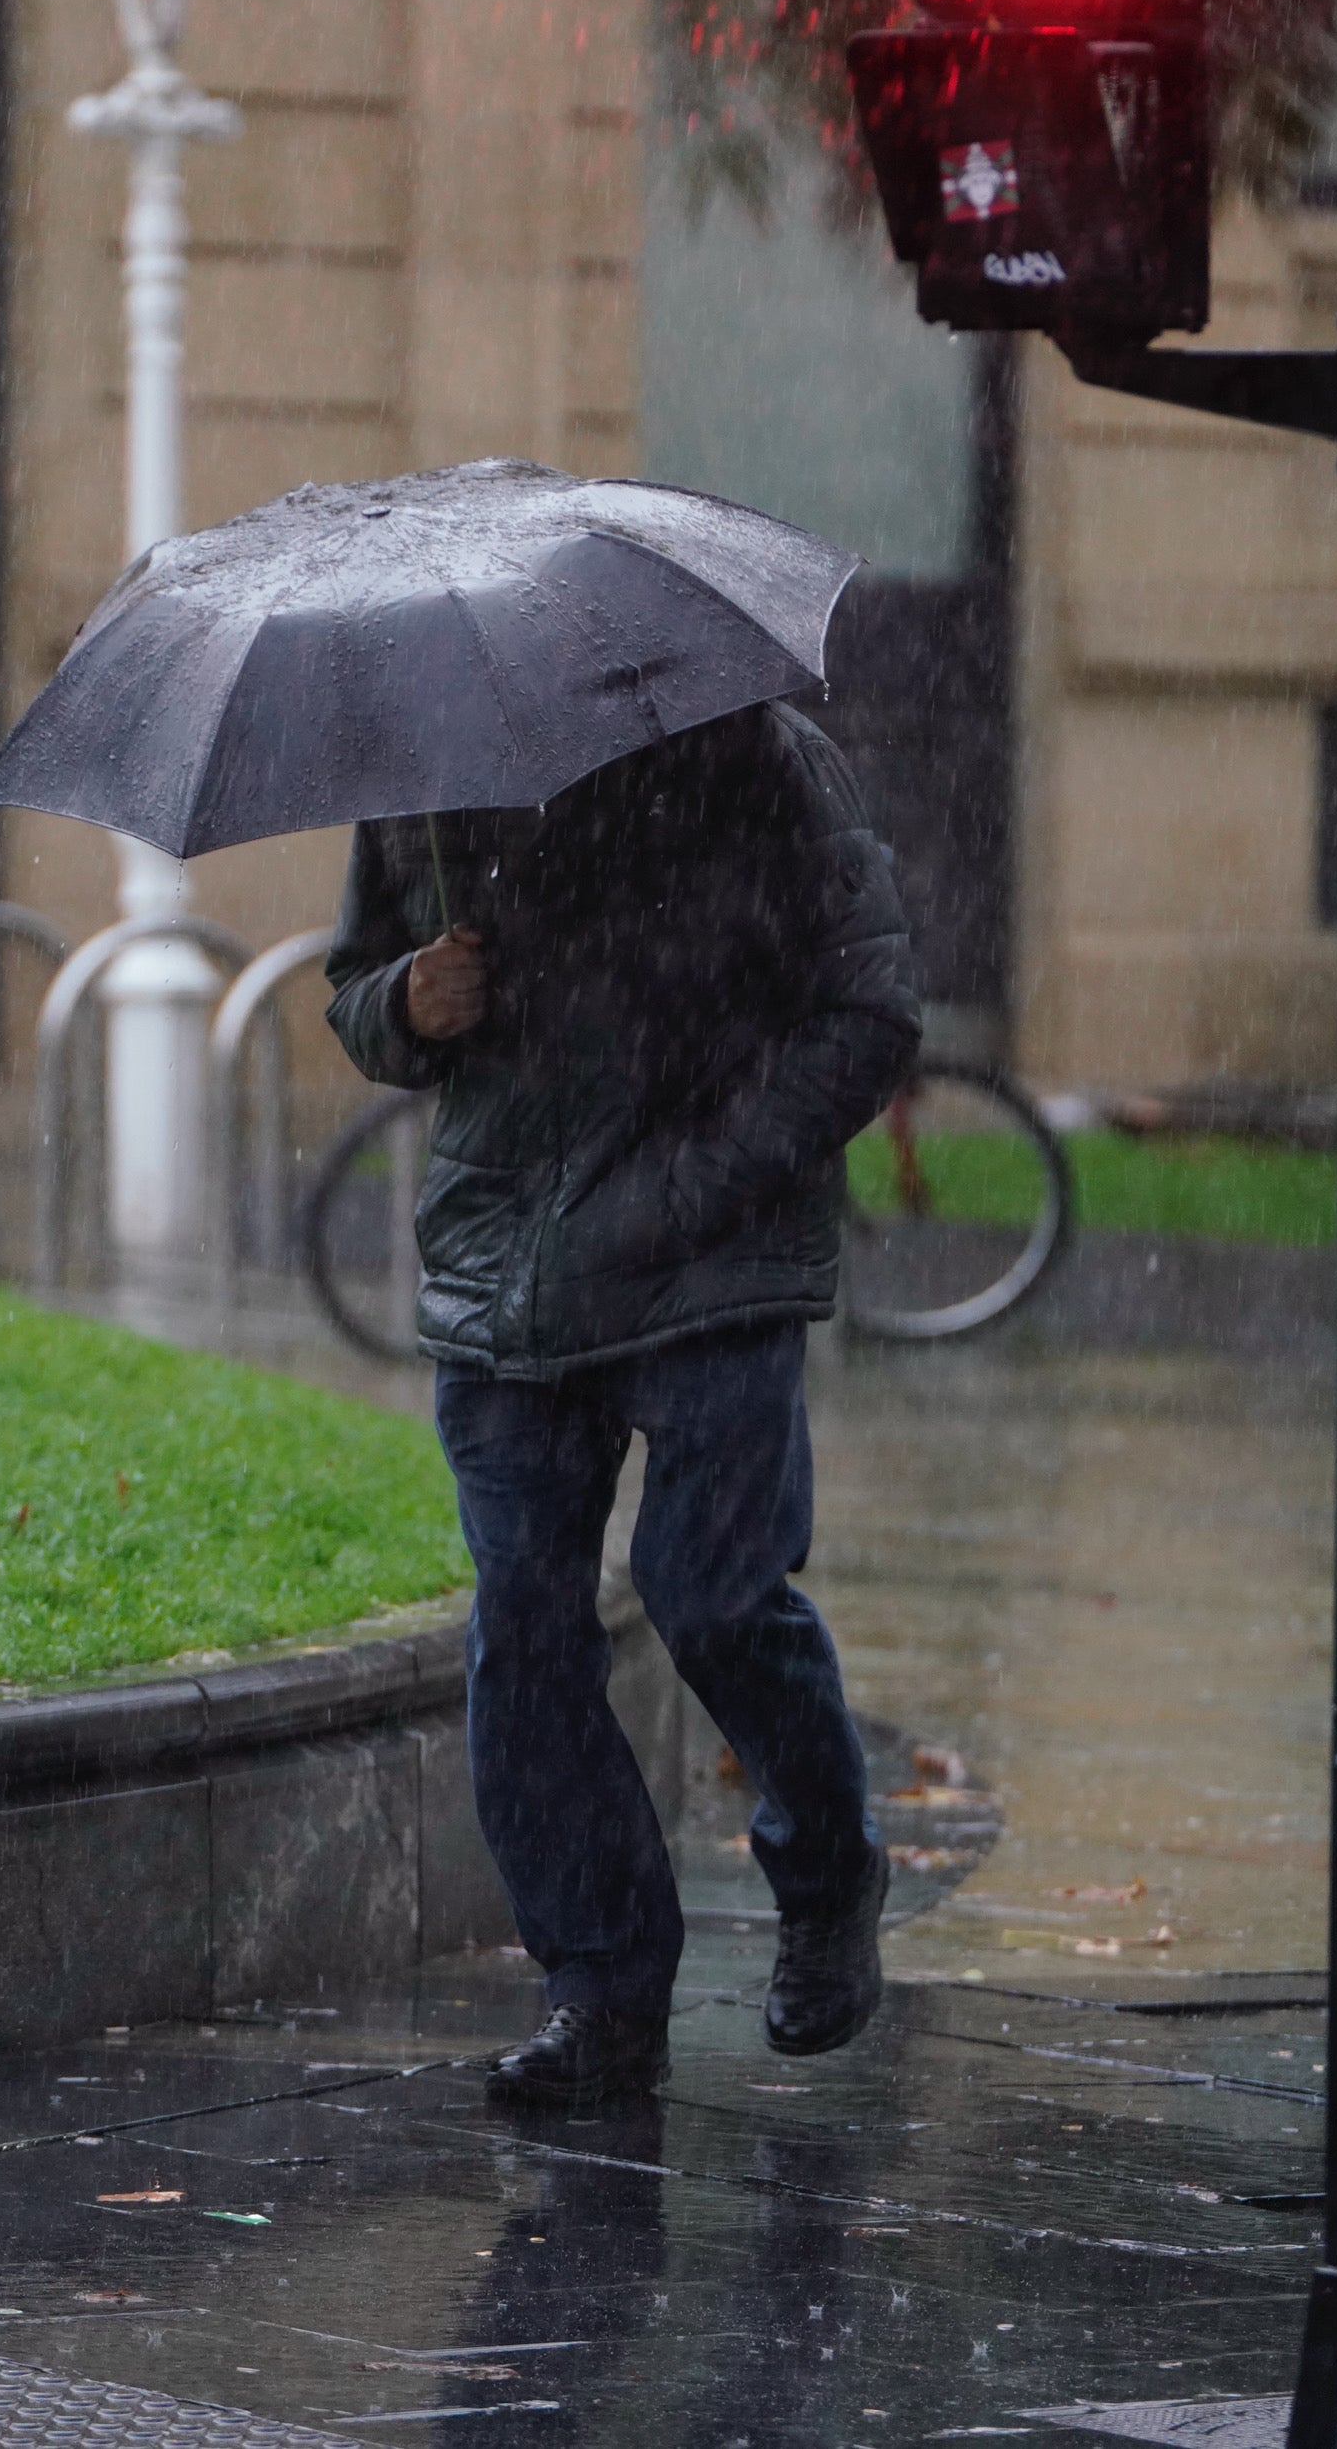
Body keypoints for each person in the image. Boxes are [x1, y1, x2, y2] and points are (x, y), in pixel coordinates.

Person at [325, 700, 921, 2109]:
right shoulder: (426, 766)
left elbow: (869, 1009)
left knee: (710, 1591)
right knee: (522, 1630)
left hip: (709, 1251)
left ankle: (830, 1876)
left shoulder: (756, 754)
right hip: (505, 1262)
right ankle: (598, 1990)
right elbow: (356, 986)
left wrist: (693, 1184)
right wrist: (407, 1000)